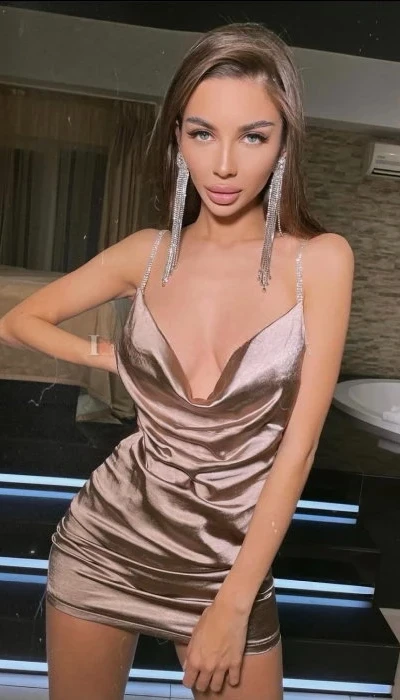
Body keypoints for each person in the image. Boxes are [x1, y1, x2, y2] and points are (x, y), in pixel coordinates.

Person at [0, 22, 354, 700]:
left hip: (228, 564)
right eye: (202, 132)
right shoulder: (146, 254)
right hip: (106, 542)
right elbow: (18, 321)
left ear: (284, 143)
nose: (224, 164)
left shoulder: (320, 262)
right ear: (177, 137)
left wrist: (233, 604)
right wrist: (111, 358)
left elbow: (300, 448)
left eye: (253, 136)